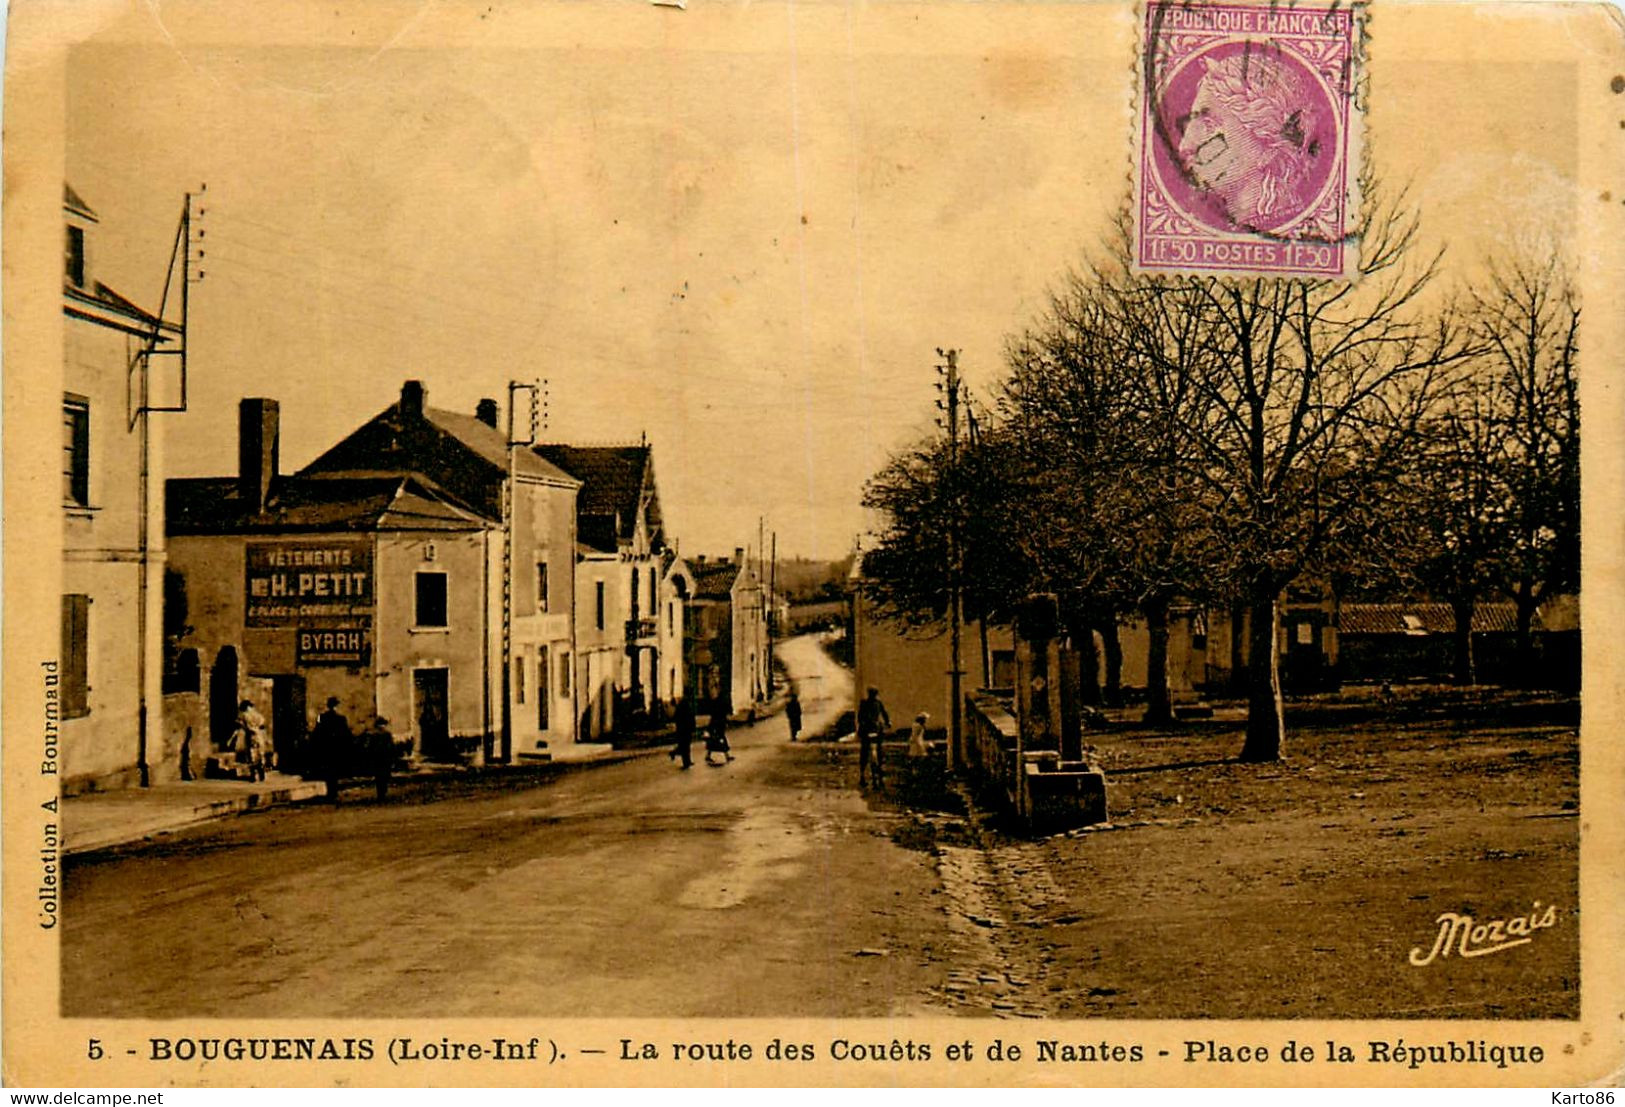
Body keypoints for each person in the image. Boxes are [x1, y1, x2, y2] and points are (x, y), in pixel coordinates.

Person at [310, 696, 352, 803]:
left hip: (325, 749)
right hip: (337, 749)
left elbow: (316, 732)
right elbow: (346, 735)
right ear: (337, 706)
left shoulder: (321, 717)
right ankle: (333, 792)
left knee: (328, 771)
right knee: (335, 771)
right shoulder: (341, 719)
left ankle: (330, 792)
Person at [856, 686, 890, 788]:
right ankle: (879, 772)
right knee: (879, 751)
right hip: (876, 729)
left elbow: (860, 717)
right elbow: (885, 714)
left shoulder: (864, 703)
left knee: (864, 752)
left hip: (866, 730)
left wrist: (861, 726)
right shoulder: (878, 703)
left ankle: (862, 775)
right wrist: (888, 722)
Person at [236, 699, 268, 782]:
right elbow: (262, 723)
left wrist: (244, 726)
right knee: (260, 753)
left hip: (251, 736)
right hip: (259, 735)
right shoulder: (258, 715)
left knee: (252, 754)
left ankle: (253, 775)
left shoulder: (244, 715)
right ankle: (261, 773)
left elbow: (242, 725)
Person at [363, 715, 395, 801]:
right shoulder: (387, 734)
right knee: (385, 775)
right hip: (385, 757)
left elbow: (368, 747)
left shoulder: (373, 734)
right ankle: (383, 791)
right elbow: (391, 746)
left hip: (376, 757)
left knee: (378, 776)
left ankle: (380, 792)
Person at [705, 694, 733, 766]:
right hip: (718, 724)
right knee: (720, 739)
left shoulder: (717, 703)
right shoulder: (720, 704)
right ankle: (727, 756)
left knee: (716, 740)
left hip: (717, 724)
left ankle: (708, 755)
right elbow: (719, 715)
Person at [669, 697, 695, 770]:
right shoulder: (688, 709)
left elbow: (675, 718)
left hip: (682, 731)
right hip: (686, 731)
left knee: (684, 747)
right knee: (685, 747)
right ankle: (686, 762)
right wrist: (692, 729)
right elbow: (692, 720)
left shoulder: (679, 709)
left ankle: (686, 761)